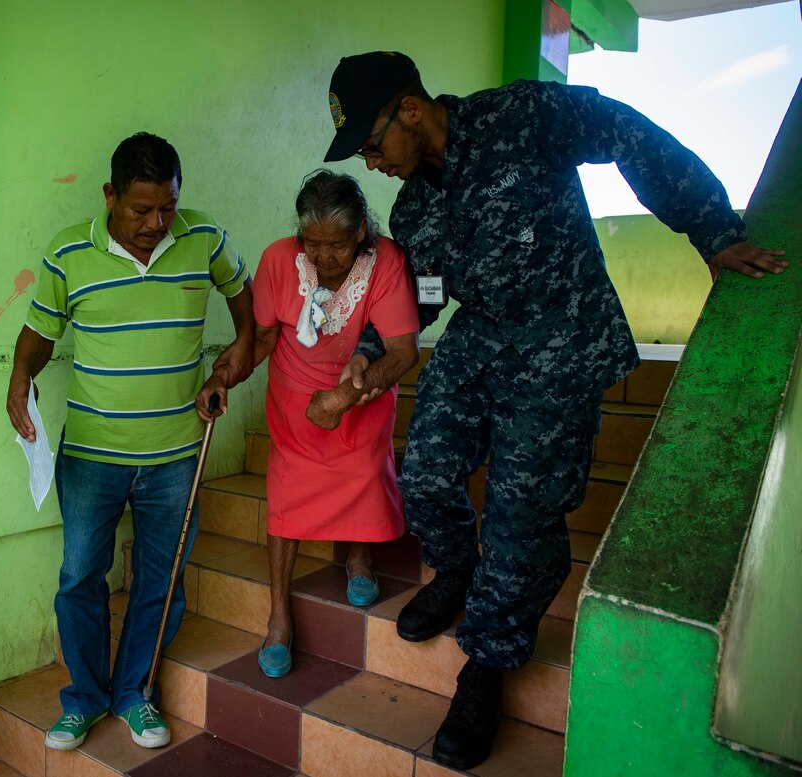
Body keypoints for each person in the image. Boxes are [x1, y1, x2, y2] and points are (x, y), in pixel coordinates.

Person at [322, 51, 788, 770]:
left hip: (560, 331)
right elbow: (425, 292)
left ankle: (487, 663)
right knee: (424, 471)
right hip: (481, 336)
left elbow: (627, 133)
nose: (372, 162)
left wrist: (713, 229)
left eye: (372, 143)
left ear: (409, 109)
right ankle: (454, 570)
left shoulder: (522, 115)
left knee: (521, 509)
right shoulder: (414, 204)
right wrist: (373, 347)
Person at [6, 132, 254, 752]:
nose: (156, 223)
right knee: (80, 576)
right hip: (92, 455)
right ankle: (86, 698)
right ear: (110, 196)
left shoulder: (206, 240)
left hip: (175, 457)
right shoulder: (69, 252)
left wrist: (223, 373)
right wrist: (19, 380)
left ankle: (133, 693)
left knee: (159, 578)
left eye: (167, 206)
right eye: (141, 209)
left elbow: (250, 323)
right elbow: (38, 333)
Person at [201, 170, 419, 678]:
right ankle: (279, 617)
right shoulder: (280, 259)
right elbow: (258, 339)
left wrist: (345, 397)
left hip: (359, 390)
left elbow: (402, 351)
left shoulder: (385, 262)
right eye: (312, 243)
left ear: (361, 231)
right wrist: (222, 377)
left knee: (364, 468)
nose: (323, 258)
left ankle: (359, 557)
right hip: (295, 398)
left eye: (337, 245)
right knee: (288, 495)